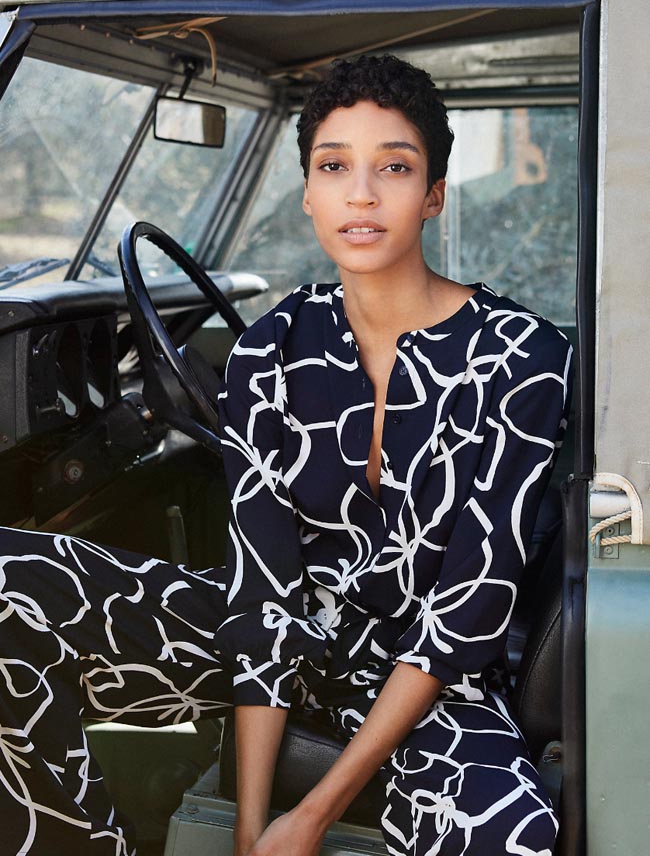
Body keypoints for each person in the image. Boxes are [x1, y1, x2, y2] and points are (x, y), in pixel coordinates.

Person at [0, 55, 572, 856]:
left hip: (438, 679)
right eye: (334, 166)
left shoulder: (524, 356)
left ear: (434, 194)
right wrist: (250, 826)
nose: (361, 195)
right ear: (308, 192)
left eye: (394, 167)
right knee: (9, 582)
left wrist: (309, 816)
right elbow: (262, 594)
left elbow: (467, 611)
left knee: (512, 835)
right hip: (290, 637)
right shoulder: (270, 347)